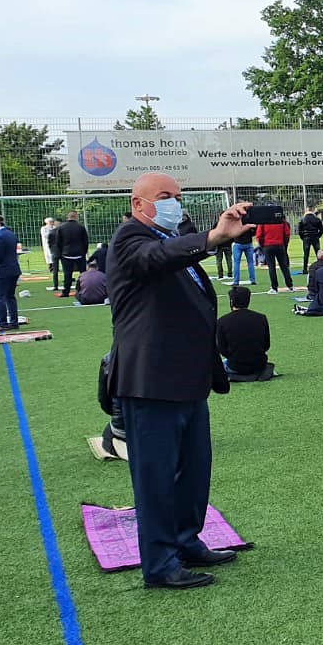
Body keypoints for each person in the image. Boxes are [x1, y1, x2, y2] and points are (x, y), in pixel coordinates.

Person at [106, 171, 253, 590]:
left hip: (187, 383)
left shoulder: (171, 246)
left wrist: (220, 237)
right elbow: (159, 257)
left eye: (177, 196)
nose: (174, 203)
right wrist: (210, 238)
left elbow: (176, 256)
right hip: (151, 384)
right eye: (164, 196)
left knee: (194, 471)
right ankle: (160, 563)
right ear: (138, 204)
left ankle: (187, 540)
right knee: (156, 478)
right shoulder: (130, 241)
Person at [215, 285, 272, 378]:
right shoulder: (261, 318)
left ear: (231, 301)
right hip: (259, 365)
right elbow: (266, 345)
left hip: (235, 365)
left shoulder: (222, 321)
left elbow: (222, 349)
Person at [0, 215, 21, 332]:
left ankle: (2, 323)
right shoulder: (10, 233)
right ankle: (14, 321)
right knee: (10, 297)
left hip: (2, 271)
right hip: (14, 269)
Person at [254, 215, 294, 294]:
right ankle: (290, 285)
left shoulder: (263, 222)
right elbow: (287, 234)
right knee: (284, 266)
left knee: (271, 267)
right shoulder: (281, 221)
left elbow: (259, 235)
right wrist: (284, 244)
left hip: (268, 246)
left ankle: (274, 287)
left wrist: (263, 245)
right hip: (280, 245)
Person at [56, 211, 91, 297]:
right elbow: (85, 242)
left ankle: (66, 292)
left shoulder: (61, 228)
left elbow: (58, 242)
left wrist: (60, 253)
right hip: (79, 254)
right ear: (76, 217)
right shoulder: (81, 227)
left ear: (68, 217)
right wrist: (84, 252)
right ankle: (84, 289)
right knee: (83, 274)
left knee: (67, 274)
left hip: (66, 254)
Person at [41, 216, 61, 291]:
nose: (52, 223)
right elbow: (45, 236)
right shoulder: (44, 228)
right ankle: (51, 268)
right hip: (50, 246)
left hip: (56, 247)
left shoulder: (55, 228)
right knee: (49, 257)